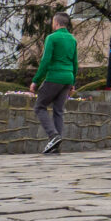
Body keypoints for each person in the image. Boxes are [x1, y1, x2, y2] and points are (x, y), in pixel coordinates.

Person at [31, 13, 78, 154]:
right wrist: (72, 83)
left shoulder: (52, 38)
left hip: (55, 77)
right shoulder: (72, 39)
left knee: (39, 106)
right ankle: (56, 145)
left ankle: (53, 136)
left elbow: (45, 61)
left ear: (56, 23)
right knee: (58, 110)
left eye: (52, 22)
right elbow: (75, 63)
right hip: (68, 77)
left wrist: (36, 80)